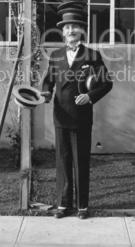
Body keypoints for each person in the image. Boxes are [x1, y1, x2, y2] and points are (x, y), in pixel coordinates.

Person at [41, 22, 112, 219]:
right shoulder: (55, 55)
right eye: (67, 28)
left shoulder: (92, 55)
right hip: (61, 115)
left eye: (75, 27)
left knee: (80, 161)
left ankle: (82, 206)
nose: (71, 31)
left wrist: (90, 96)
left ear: (81, 31)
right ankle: (63, 204)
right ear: (62, 32)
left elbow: (106, 83)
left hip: (81, 116)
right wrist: (46, 93)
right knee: (63, 160)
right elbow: (49, 80)